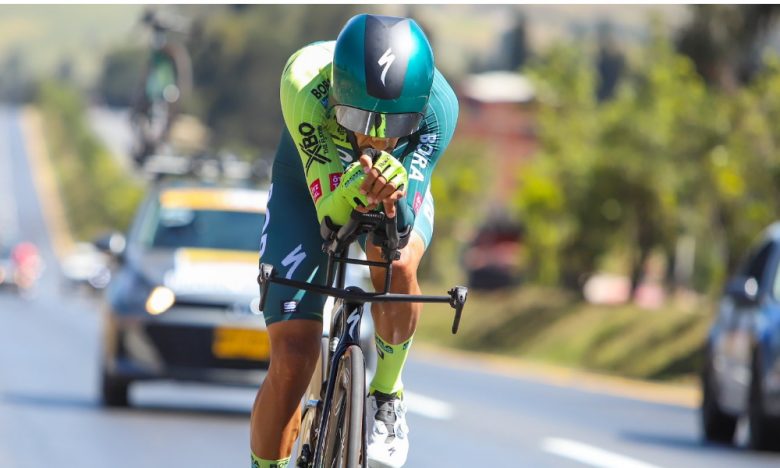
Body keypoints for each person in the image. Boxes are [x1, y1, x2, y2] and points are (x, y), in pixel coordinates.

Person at [251, 13, 459, 468]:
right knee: (292, 357)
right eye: (357, 116)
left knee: (398, 261)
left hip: (398, 186)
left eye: (394, 123)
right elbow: (329, 216)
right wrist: (350, 188)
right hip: (306, 188)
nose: (375, 137)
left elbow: (402, 226)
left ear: (418, 109)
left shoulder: (440, 109)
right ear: (337, 92)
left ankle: (386, 394)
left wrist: (395, 194)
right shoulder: (304, 81)